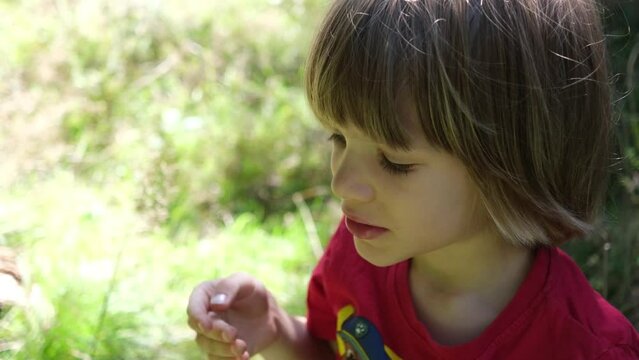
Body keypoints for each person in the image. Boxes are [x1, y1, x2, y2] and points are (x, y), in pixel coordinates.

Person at [186, 0, 639, 358]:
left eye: (394, 162)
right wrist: (277, 332)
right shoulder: (358, 256)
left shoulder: (584, 348)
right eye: (338, 139)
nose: (344, 184)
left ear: (514, 163)